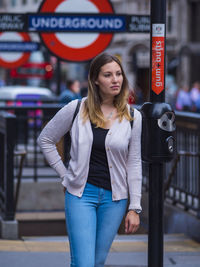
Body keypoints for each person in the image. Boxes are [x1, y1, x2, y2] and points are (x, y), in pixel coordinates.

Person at [37, 53, 142, 267]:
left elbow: (134, 162)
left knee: (97, 261)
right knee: (83, 263)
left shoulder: (132, 116)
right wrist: (64, 174)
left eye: (118, 74)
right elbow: (45, 139)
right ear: (95, 79)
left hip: (115, 199)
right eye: (108, 75)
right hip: (80, 195)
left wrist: (135, 207)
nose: (115, 80)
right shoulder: (76, 108)